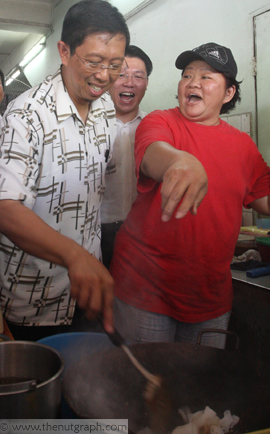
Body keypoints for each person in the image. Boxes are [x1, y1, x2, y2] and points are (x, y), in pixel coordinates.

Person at [110, 42, 270, 349]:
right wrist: (179, 161)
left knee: (198, 388)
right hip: (146, 290)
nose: (193, 82)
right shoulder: (161, 121)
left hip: (210, 296)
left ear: (228, 94)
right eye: (187, 75)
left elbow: (264, 198)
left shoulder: (243, 146)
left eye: (206, 76)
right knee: (144, 386)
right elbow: (153, 153)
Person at [0, 0, 130, 341]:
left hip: (85, 295)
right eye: (95, 61)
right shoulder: (26, 115)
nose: (105, 75)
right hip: (31, 301)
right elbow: (5, 207)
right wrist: (74, 256)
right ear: (64, 50)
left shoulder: (104, 108)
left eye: (115, 64)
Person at [101, 45, 153, 269]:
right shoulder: (90, 126)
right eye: (121, 75)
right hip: (96, 233)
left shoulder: (155, 128)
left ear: (146, 84)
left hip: (142, 233)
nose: (129, 82)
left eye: (138, 76)